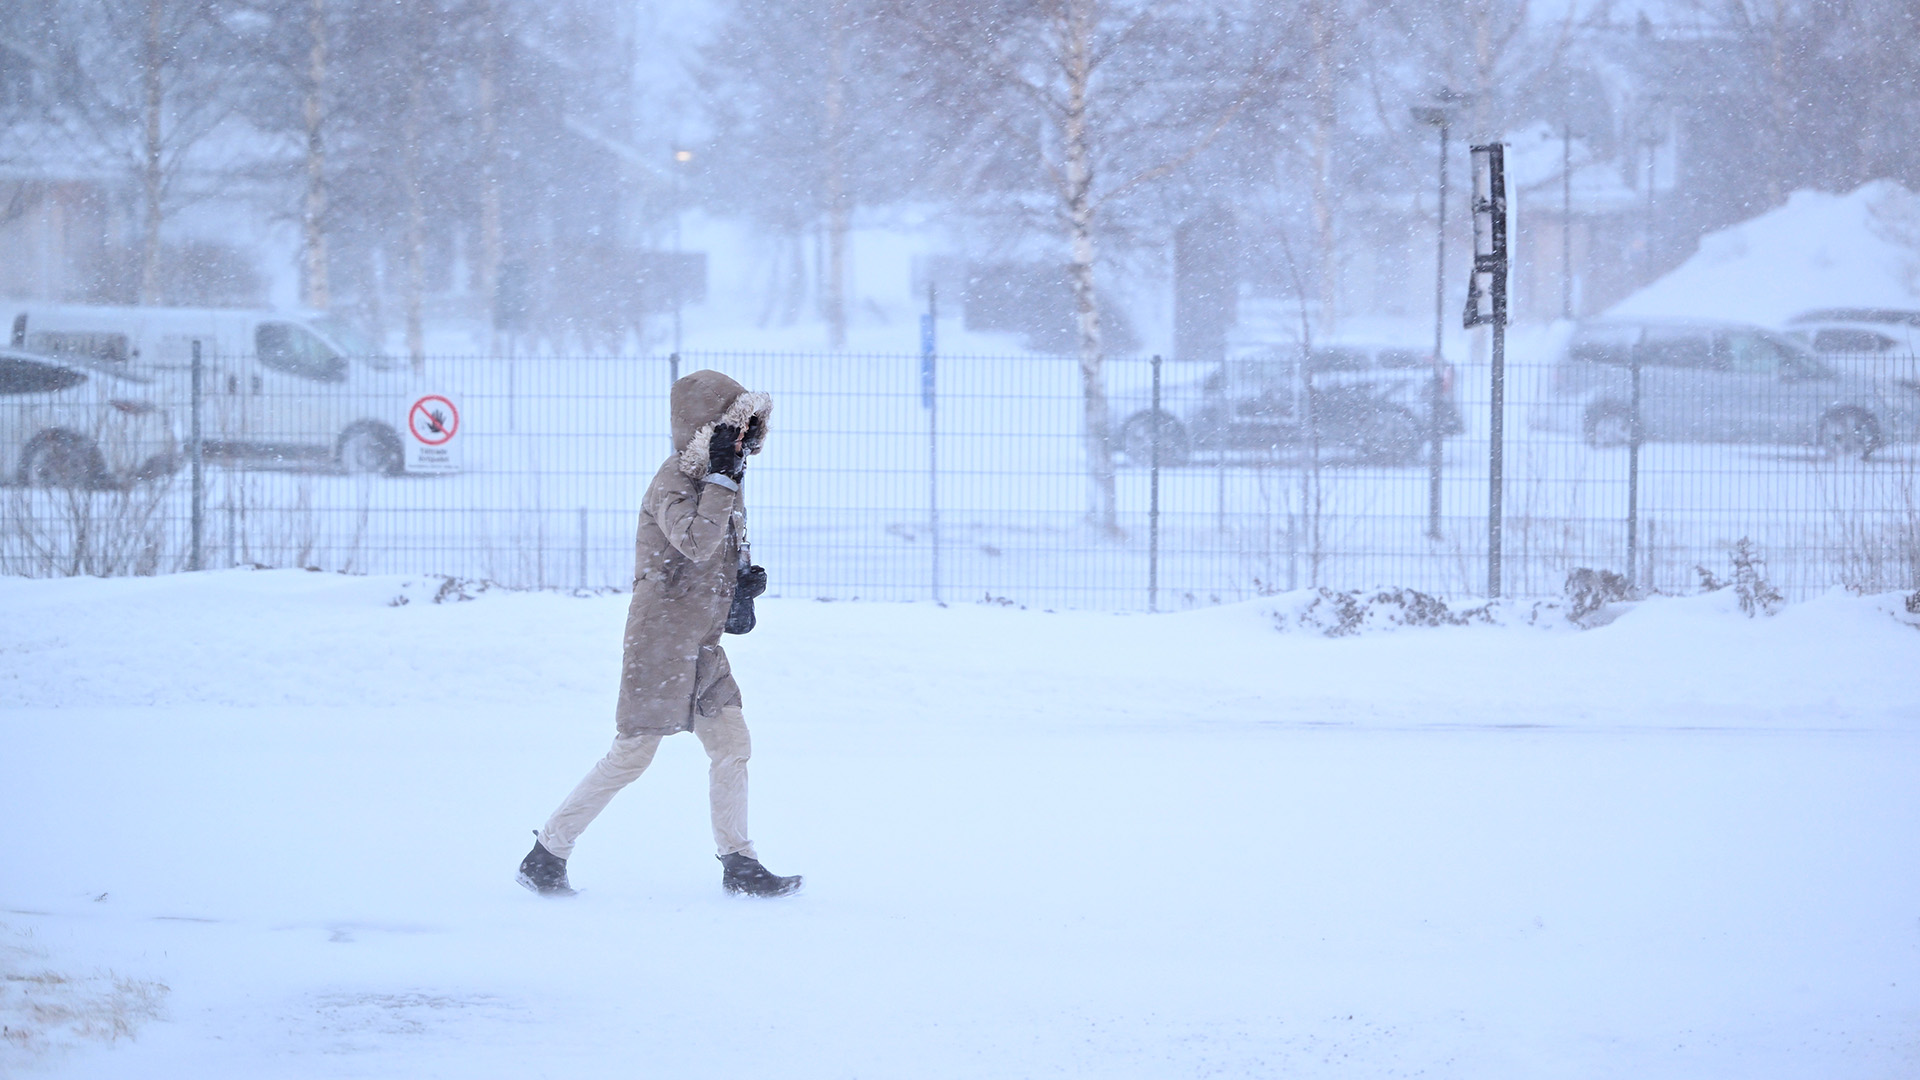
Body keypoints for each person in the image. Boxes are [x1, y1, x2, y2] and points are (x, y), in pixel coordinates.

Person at [517, 370, 800, 898]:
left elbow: (712, 556)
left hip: (703, 644)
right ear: (704, 432)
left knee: (733, 744)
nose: (740, 443)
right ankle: (547, 853)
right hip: (660, 644)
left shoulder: (727, 483)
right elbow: (695, 541)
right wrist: (719, 482)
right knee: (631, 756)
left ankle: (738, 863)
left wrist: (741, 589)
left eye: (745, 432)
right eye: (730, 431)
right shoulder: (672, 482)